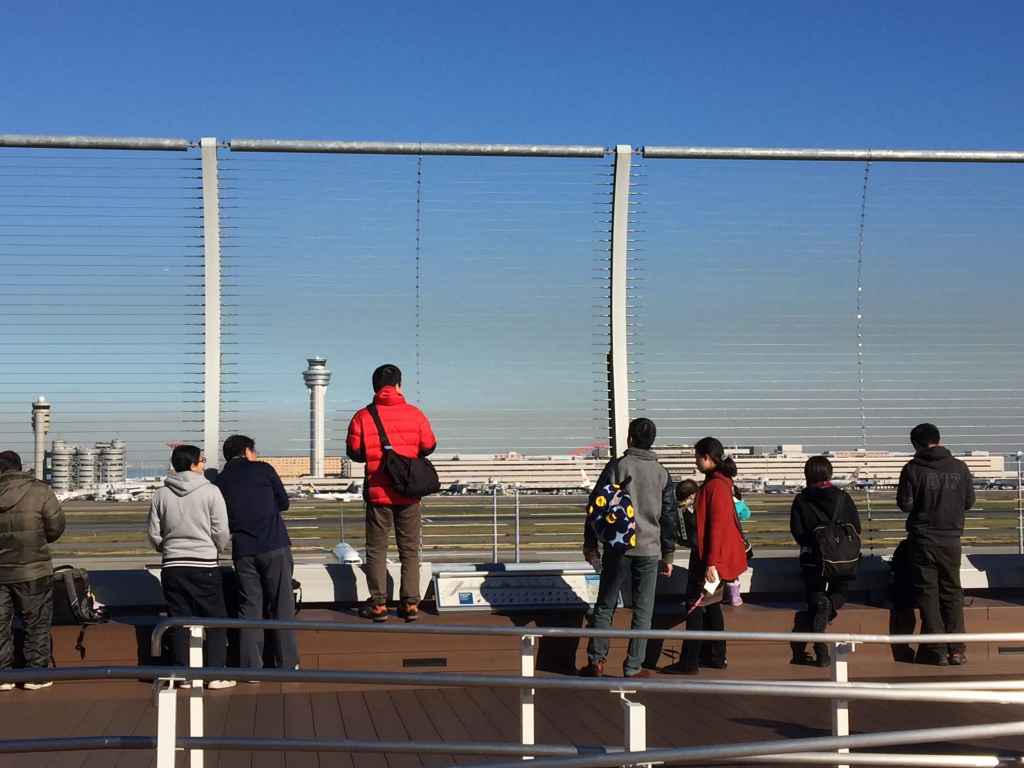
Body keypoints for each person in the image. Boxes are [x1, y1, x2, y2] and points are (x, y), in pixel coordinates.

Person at [580, 418, 676, 678]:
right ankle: (633, 666)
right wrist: (668, 553)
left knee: (605, 605)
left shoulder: (618, 466)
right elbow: (669, 516)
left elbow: (596, 505)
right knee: (643, 609)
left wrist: (590, 545)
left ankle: (596, 660)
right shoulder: (662, 473)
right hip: (649, 549)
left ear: (630, 438)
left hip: (618, 547)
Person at [346, 364, 437, 622]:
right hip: (408, 493)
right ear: (398, 386)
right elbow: (428, 446)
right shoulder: (415, 414)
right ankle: (410, 604)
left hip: (378, 492)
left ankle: (378, 605)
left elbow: (354, 452)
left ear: (375, 387)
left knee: (376, 550)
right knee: (409, 549)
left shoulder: (363, 416)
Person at [148, 445, 235, 689]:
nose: (204, 464)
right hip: (204, 563)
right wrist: (216, 548)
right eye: (203, 460)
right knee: (216, 620)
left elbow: (154, 533)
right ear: (195, 464)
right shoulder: (211, 491)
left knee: (178, 620)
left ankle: (181, 673)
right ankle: (216, 673)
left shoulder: (160, 494)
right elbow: (221, 529)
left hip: (173, 565)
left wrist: (166, 549)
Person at [215, 435, 298, 671]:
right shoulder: (263, 470)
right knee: (282, 604)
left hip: (243, 550)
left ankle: (251, 667)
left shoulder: (220, 481)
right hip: (274, 544)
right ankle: (287, 664)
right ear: (247, 451)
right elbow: (284, 503)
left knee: (249, 607)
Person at [897, 423, 974, 666]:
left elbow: (905, 505)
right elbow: (969, 502)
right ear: (939, 440)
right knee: (952, 591)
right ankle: (958, 649)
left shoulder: (912, 469)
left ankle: (937, 648)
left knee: (928, 593)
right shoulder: (960, 467)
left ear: (916, 444)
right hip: (951, 539)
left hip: (923, 540)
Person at [672, 437, 747, 675]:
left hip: (710, 558)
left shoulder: (713, 487)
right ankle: (716, 656)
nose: (695, 461)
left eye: (696, 456)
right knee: (713, 606)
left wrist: (711, 562)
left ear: (706, 457)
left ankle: (689, 662)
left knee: (694, 605)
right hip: (721, 556)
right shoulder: (723, 483)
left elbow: (715, 527)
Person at [0, 450, 65, 691]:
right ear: (20, 466)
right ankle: (35, 674)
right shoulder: (40, 491)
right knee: (36, 622)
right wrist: (38, 540)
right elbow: (56, 527)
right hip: (33, 569)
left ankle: (2, 675)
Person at [789, 455, 862, 667]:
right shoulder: (843, 497)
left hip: (813, 558)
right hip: (842, 558)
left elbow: (798, 532)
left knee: (814, 597)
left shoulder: (801, 499)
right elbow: (856, 528)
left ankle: (821, 652)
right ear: (829, 473)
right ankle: (829, 606)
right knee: (841, 589)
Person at [724, 488, 753, 607]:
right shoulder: (738, 504)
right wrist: (742, 502)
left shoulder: (721, 502)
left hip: (721, 540)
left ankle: (725, 595)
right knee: (733, 570)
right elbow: (746, 514)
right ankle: (735, 597)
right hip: (735, 540)